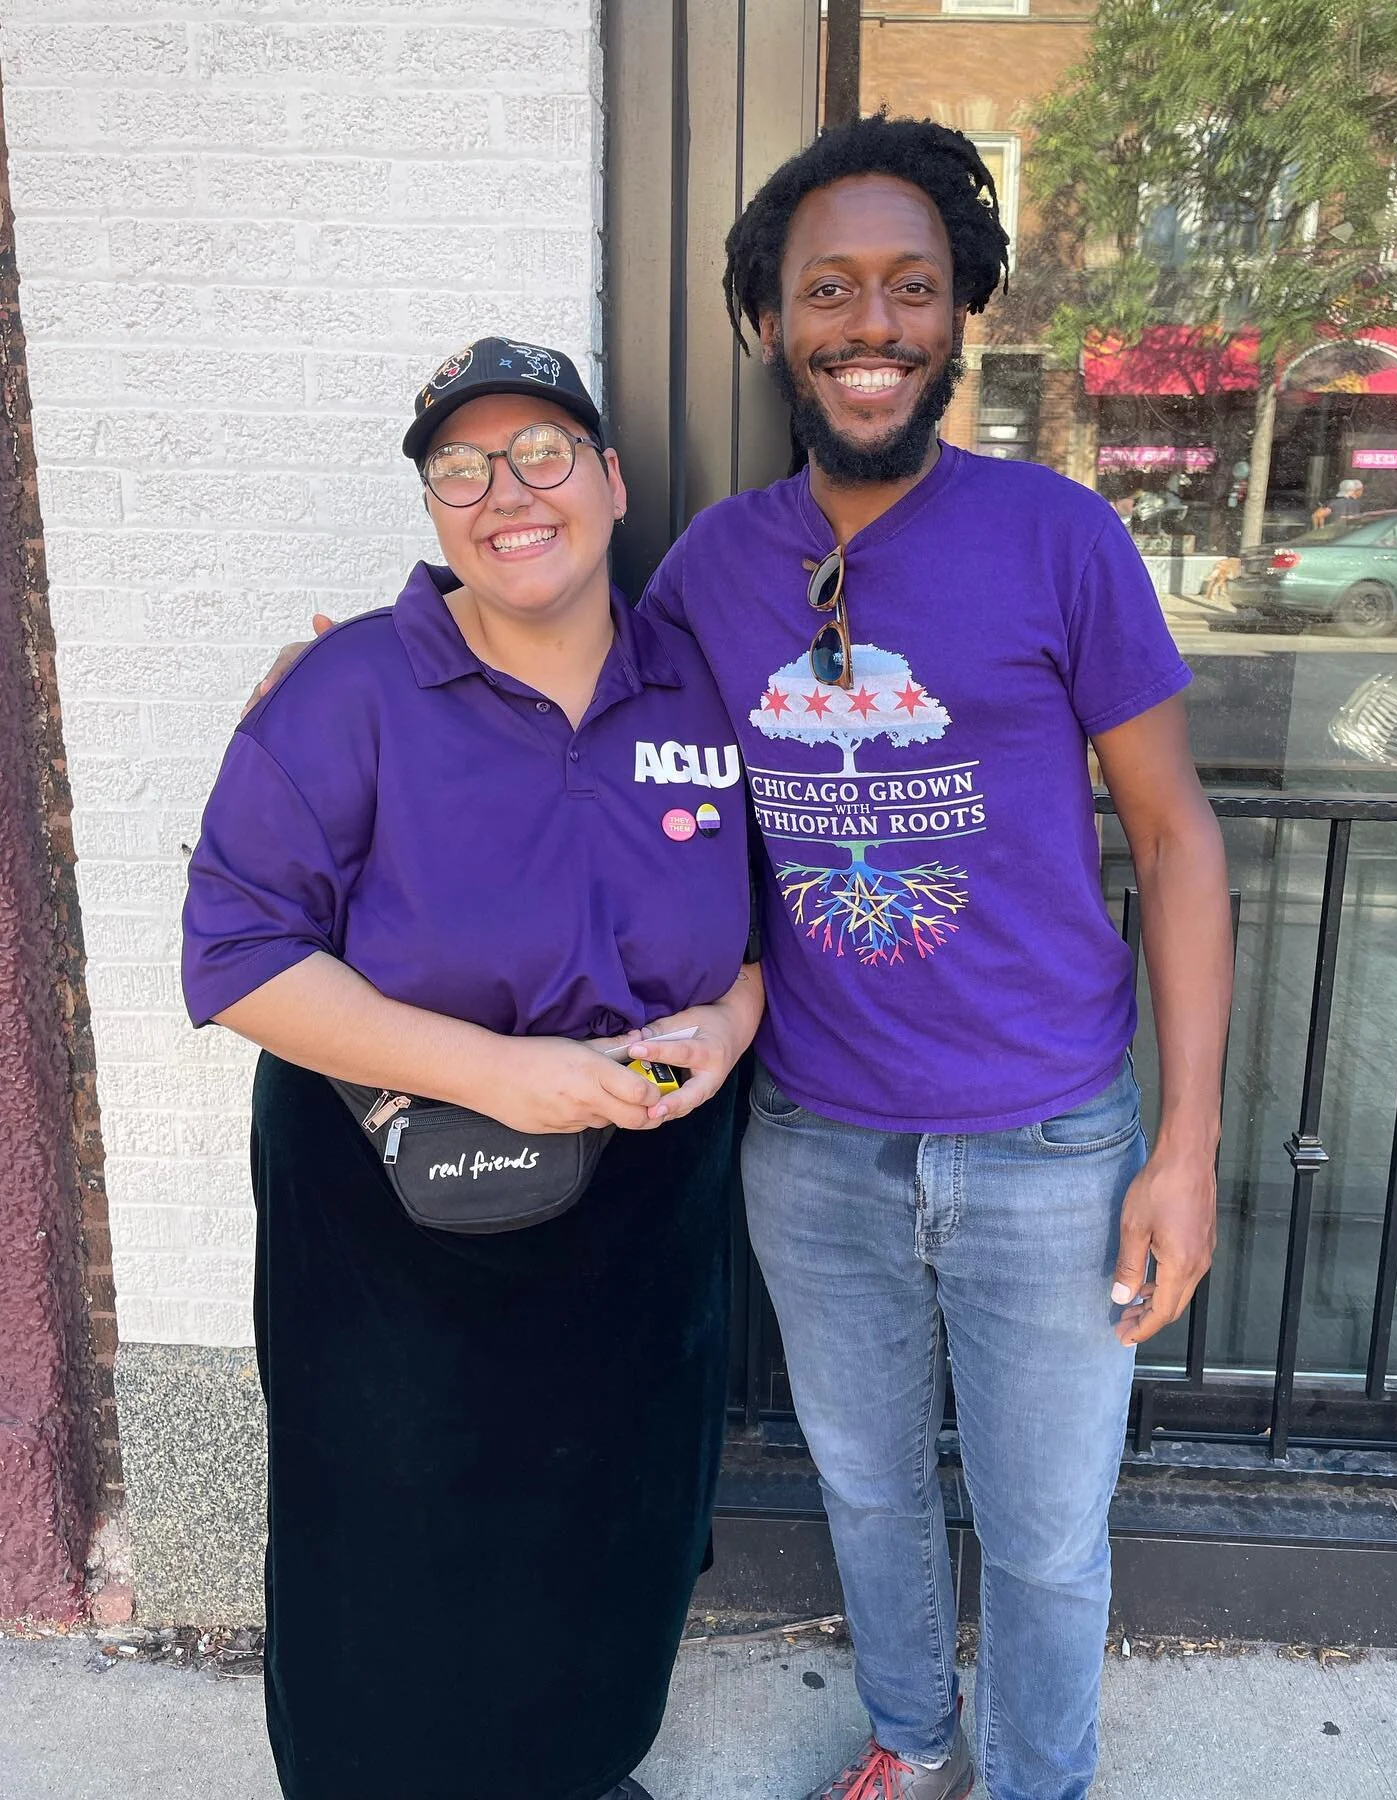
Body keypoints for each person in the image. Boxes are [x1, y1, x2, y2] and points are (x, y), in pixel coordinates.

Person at [638, 116, 1233, 1800]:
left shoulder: (1059, 537)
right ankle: (912, 1737)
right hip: (814, 1141)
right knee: (870, 1489)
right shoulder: (710, 571)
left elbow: (1177, 839)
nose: (872, 324)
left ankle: (1040, 1779)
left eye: (910, 285)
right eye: (828, 288)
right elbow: (588, 739)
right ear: (769, 321)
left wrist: (1184, 1147)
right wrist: (365, 673)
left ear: (960, 310)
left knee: (1046, 1531)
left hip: (1050, 1144)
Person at [182, 337, 763, 1800]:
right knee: (392, 1545)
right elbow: (239, 956)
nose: (507, 491)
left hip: (643, 1217)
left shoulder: (700, 684)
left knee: (612, 1526)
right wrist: (498, 1074)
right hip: (396, 1212)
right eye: (461, 468)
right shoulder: (349, 689)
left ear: (612, 481)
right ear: (435, 509)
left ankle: (579, 1768)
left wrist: (731, 1021)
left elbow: (758, 931)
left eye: (542, 454)